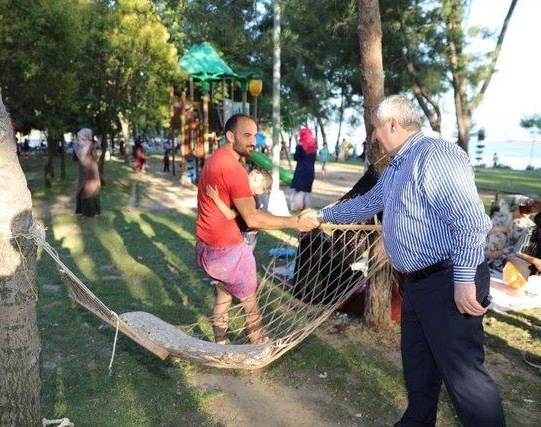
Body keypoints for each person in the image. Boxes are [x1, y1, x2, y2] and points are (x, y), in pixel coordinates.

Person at [300, 95, 505, 427]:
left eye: (376, 129)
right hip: (419, 283)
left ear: (392, 124)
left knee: (464, 377)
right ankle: (417, 420)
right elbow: (367, 203)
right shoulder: (397, 165)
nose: (374, 136)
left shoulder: (436, 156)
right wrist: (322, 215)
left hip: (451, 278)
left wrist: (464, 280)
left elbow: (472, 223)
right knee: (418, 363)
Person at [196, 114, 316, 345]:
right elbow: (252, 219)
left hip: (207, 249)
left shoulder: (216, 160)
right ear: (231, 137)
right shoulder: (233, 169)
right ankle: (259, 343)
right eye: (247, 135)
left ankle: (220, 343)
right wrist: (294, 221)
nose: (253, 142)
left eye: (255, 136)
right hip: (228, 251)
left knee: (223, 297)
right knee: (250, 302)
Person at [205, 168, 273, 250]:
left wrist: (215, 198)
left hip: (245, 239)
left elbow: (229, 214)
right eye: (250, 174)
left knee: (237, 260)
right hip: (248, 236)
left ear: (259, 190)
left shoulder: (248, 201)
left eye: (254, 179)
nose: (248, 178)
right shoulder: (250, 196)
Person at [74, 128, 101, 217]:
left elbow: (78, 157)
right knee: (92, 189)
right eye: (90, 135)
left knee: (83, 189)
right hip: (91, 169)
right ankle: (93, 212)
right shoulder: (90, 145)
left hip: (82, 170)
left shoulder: (76, 145)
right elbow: (95, 157)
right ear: (86, 136)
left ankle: (82, 211)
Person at [289, 127, 317, 210]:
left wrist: (298, 147)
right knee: (307, 190)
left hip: (301, 171)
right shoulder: (314, 147)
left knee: (298, 189)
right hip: (310, 172)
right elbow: (314, 159)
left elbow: (296, 157)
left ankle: (296, 207)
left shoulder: (300, 146)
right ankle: (306, 207)